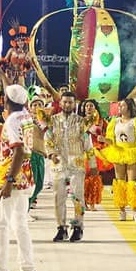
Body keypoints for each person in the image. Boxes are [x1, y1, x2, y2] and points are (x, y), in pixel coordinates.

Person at [0, 84, 39, 271]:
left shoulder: (13, 120)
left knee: (0, 223)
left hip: (12, 177)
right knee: (19, 224)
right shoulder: (26, 116)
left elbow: (19, 150)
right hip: (26, 176)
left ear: (6, 101)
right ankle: (28, 269)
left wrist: (9, 181)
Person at [45, 90, 96, 242]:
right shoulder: (52, 121)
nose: (67, 104)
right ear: (60, 103)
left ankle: (78, 227)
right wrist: (51, 153)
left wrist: (93, 165)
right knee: (58, 197)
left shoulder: (82, 122)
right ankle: (61, 227)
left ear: (75, 104)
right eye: (65, 102)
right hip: (59, 164)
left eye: (70, 102)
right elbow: (47, 139)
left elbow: (88, 144)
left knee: (77, 197)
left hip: (77, 164)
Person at [98, 98, 136, 222]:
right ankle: (121, 210)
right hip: (118, 152)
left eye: (122, 105)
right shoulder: (115, 121)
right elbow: (111, 139)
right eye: (119, 106)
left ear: (129, 107)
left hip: (133, 152)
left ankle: (135, 210)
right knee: (120, 182)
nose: (119, 108)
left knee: (133, 182)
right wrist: (104, 140)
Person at [81, 98, 111, 211]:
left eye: (91, 106)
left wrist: (104, 139)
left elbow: (109, 136)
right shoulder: (79, 121)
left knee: (94, 177)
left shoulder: (102, 122)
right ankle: (83, 202)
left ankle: (92, 202)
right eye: (86, 106)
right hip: (82, 152)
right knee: (83, 178)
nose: (88, 108)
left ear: (95, 108)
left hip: (96, 152)